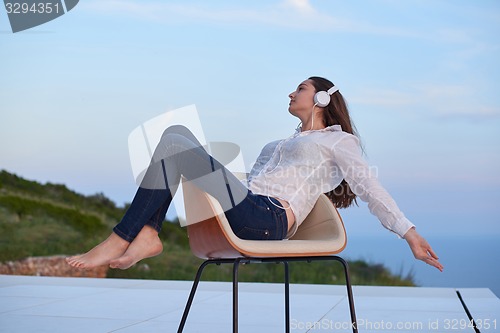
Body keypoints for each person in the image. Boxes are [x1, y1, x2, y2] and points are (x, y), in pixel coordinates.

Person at [66, 76, 443, 272]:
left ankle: (125, 238)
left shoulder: (338, 142)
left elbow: (369, 186)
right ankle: (146, 234)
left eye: (301, 88)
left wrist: (408, 233)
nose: (291, 94)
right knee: (174, 141)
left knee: (176, 137)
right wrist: (210, 177)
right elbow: (249, 183)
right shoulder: (281, 143)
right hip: (248, 208)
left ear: (323, 99)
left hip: (269, 218)